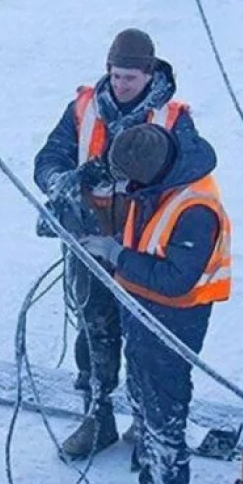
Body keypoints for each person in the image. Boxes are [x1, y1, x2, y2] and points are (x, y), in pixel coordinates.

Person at [34, 28, 203, 461]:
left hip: (141, 243)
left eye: (130, 77)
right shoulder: (84, 106)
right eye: (115, 74)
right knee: (94, 328)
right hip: (88, 238)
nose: (121, 84)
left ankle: (146, 424)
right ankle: (97, 415)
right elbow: (50, 156)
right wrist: (60, 182)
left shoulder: (172, 118)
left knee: (144, 334)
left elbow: (185, 173)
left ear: (149, 73)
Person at [81, 123, 231, 484]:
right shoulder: (159, 180)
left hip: (174, 321)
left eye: (130, 182)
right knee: (143, 403)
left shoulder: (196, 208)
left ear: (152, 174)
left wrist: (116, 255)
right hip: (141, 311)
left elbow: (175, 279)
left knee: (165, 416)